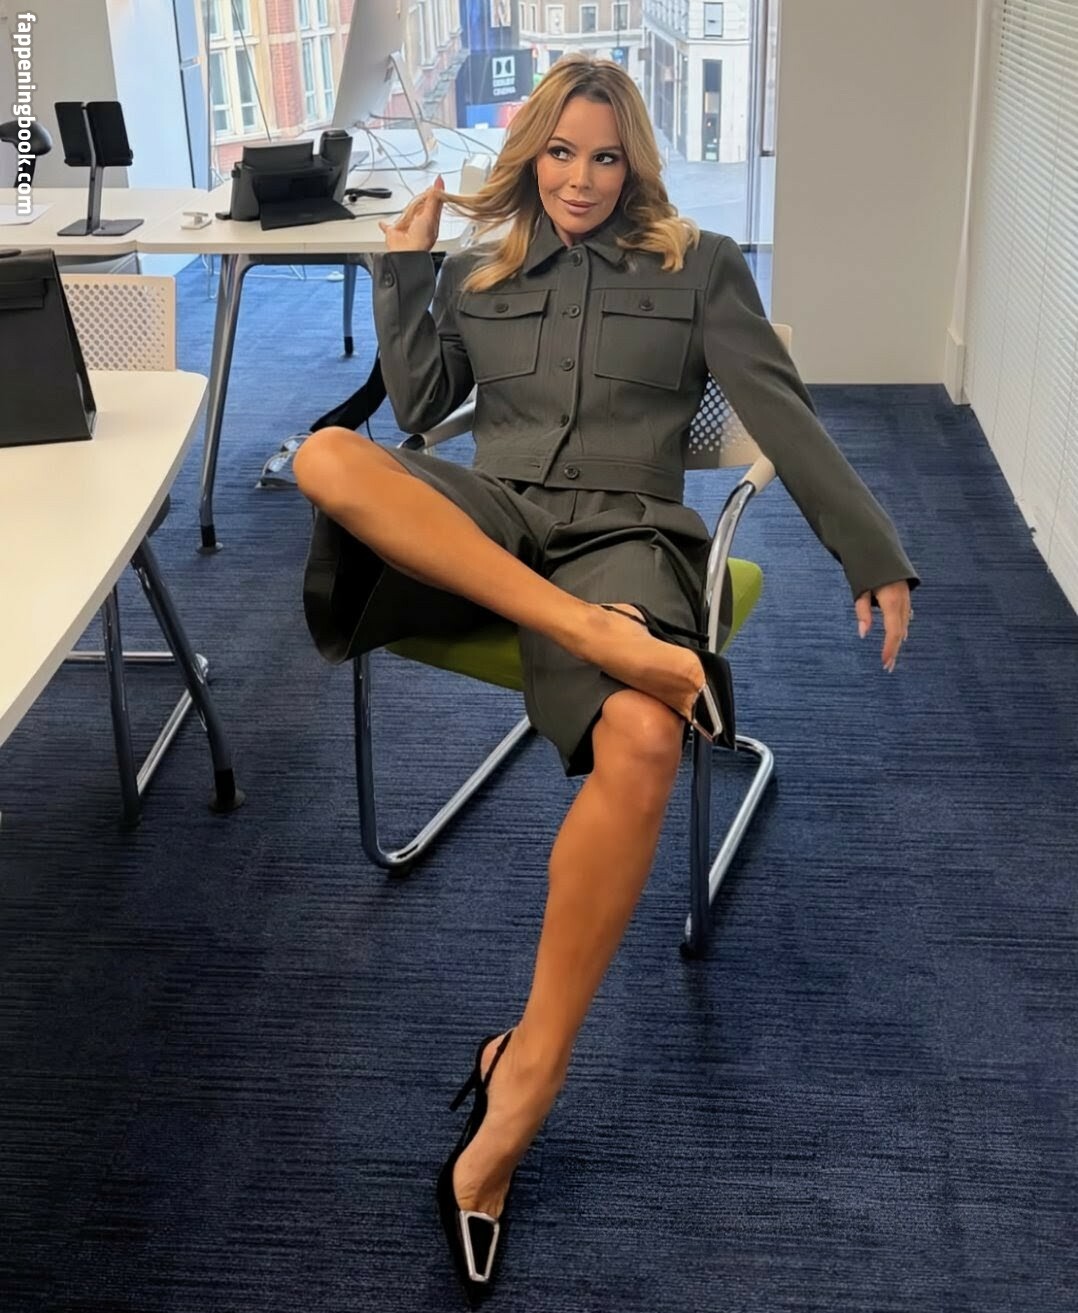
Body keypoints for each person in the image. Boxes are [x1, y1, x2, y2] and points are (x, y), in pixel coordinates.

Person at [294, 54, 917, 1300]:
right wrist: (404, 267)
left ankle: (526, 1074)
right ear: (531, 153)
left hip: (627, 538)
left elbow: (779, 410)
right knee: (324, 455)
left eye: (604, 157)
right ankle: (594, 636)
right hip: (496, 524)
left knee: (641, 738)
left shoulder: (702, 266)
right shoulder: (482, 268)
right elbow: (421, 406)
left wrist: (872, 549)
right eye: (560, 154)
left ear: (634, 163)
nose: (579, 180)